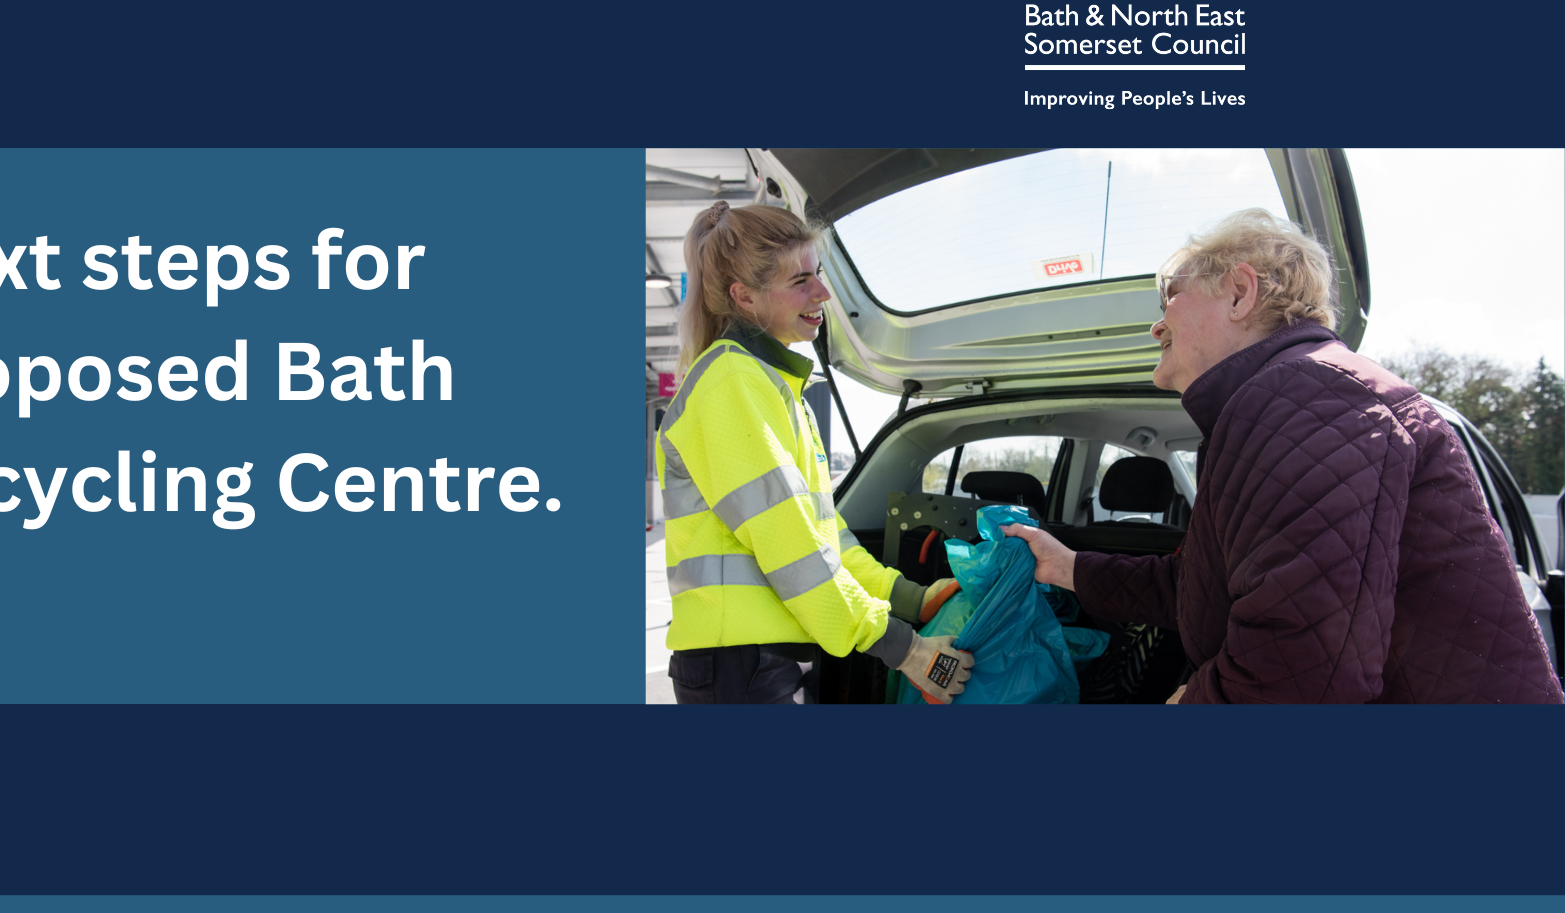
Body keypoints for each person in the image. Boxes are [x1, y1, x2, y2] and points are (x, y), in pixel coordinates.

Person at [1000, 209, 1563, 704]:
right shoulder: (1291, 397)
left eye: (1171, 295)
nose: (1156, 324)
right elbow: (1200, 587)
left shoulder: (1308, 397)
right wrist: (1066, 566)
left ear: (1241, 293)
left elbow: (1301, 673)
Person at [659, 201, 973, 703]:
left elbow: (825, 537)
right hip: (738, 662)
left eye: (819, 273)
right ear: (744, 297)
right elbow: (791, 546)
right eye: (800, 280)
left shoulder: (774, 388)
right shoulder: (731, 382)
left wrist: (909, 597)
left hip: (763, 657)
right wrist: (905, 649)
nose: (823, 293)